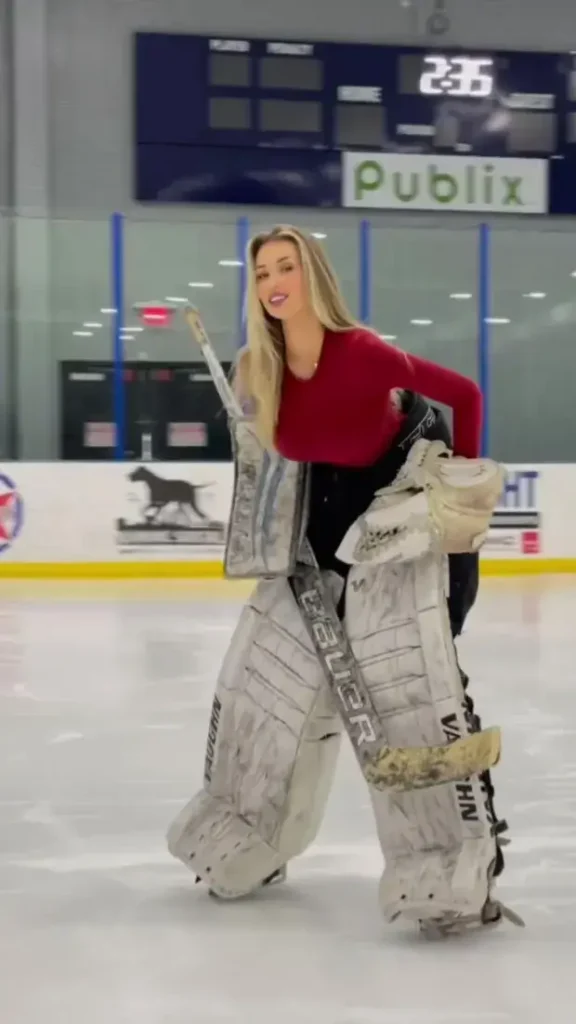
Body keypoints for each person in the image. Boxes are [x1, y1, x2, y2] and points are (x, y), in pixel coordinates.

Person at [168, 225, 517, 934]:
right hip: (314, 543)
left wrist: (459, 491)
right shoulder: (254, 369)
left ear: (311, 274)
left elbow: (465, 395)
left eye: (286, 265)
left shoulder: (360, 352)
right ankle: (248, 834)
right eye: (262, 269)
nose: (273, 280)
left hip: (400, 535)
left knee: (408, 700)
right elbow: (273, 461)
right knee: (263, 689)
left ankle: (449, 868)